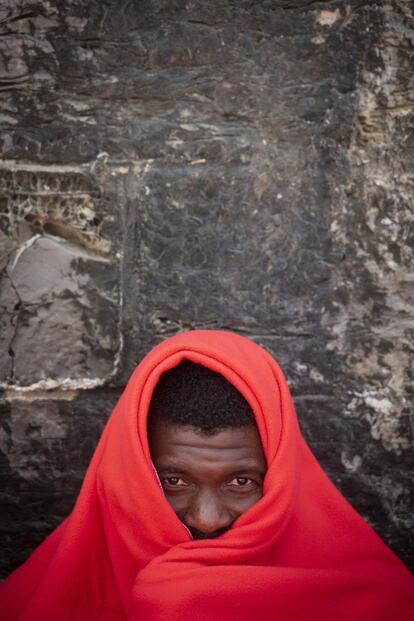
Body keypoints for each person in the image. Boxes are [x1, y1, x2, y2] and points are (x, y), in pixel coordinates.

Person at [1, 330, 413, 620]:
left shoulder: (377, 599)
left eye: (241, 482)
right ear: (130, 476)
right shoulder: (35, 601)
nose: (207, 519)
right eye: (174, 482)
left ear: (282, 475)